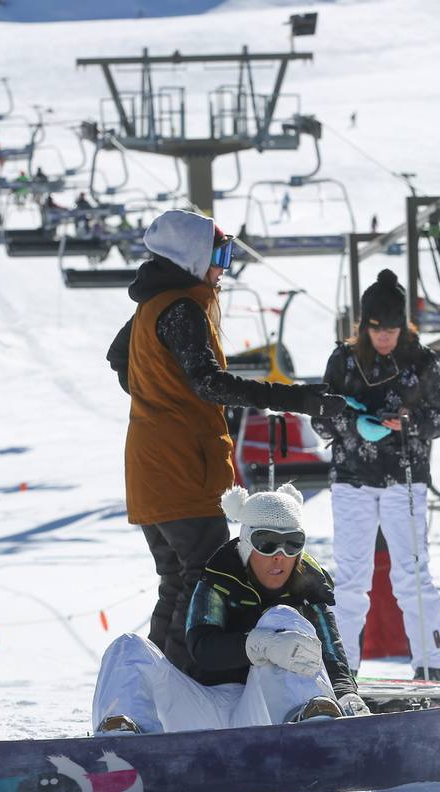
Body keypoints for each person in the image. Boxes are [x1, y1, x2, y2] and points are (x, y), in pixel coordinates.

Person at [106, 208, 346, 674]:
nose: (223, 267)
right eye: (219, 254)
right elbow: (210, 384)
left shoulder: (154, 304)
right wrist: (299, 399)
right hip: (182, 468)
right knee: (200, 581)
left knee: (177, 581)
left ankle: (151, 686)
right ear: (189, 257)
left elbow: (119, 357)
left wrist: (158, 398)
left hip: (153, 465)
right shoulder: (181, 308)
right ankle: (183, 687)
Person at [92, 485, 368, 733]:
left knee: (283, 617)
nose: (280, 556)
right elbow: (201, 648)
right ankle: (123, 742)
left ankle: (313, 730)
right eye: (267, 542)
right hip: (200, 707)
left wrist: (346, 694)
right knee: (126, 647)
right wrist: (257, 645)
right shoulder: (219, 577)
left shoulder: (310, 585)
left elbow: (331, 650)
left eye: (293, 542)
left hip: (264, 711)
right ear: (247, 543)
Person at [311, 269, 440, 679]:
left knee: (411, 571)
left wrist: (409, 421)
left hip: (404, 476)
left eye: (391, 329)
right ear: (365, 326)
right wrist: (354, 424)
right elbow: (321, 418)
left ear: (403, 326)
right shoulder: (343, 360)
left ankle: (432, 665)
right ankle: (341, 668)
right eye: (377, 329)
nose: (385, 337)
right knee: (351, 577)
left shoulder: (422, 361)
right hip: (352, 477)